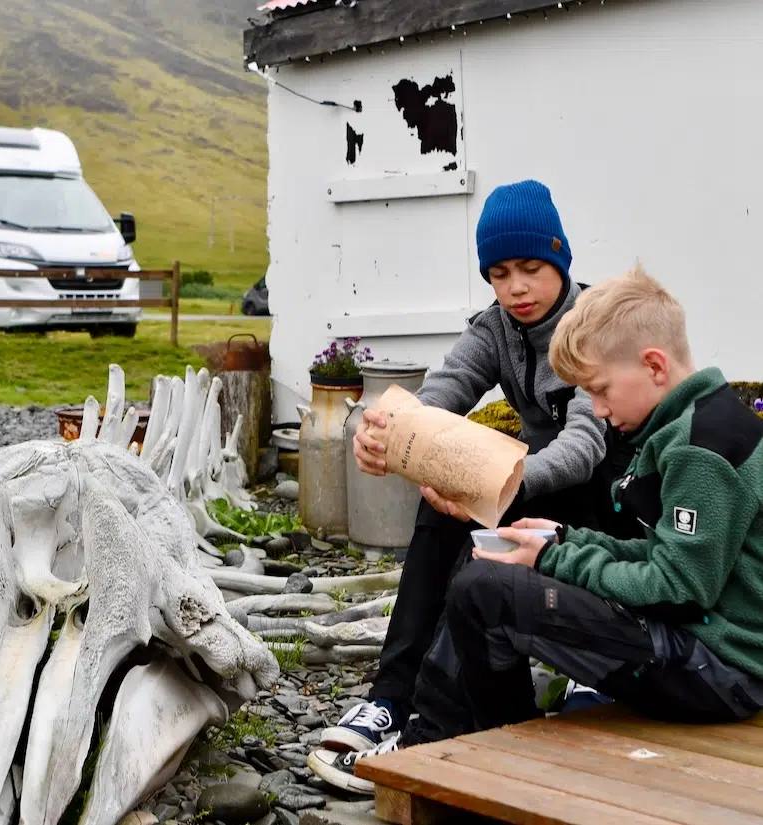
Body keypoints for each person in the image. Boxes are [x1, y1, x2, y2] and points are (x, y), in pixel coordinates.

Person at [307, 180, 640, 794]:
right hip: (539, 482)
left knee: (493, 508)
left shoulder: (596, 325)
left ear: (561, 258)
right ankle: (393, 698)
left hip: (611, 497)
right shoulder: (495, 329)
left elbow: (585, 445)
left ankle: (449, 707)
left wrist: (498, 485)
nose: (516, 287)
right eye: (499, 273)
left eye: (532, 269)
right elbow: (445, 392)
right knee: (440, 512)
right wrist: (398, 436)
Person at [396, 266, 763, 746]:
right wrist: (566, 540)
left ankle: (479, 743)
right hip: (698, 644)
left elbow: (678, 588)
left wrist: (553, 559)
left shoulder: (700, 450)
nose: (600, 409)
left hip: (720, 671)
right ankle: (452, 733)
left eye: (600, 390)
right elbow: (662, 556)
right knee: (488, 559)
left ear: (654, 366)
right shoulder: (687, 423)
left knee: (486, 592)